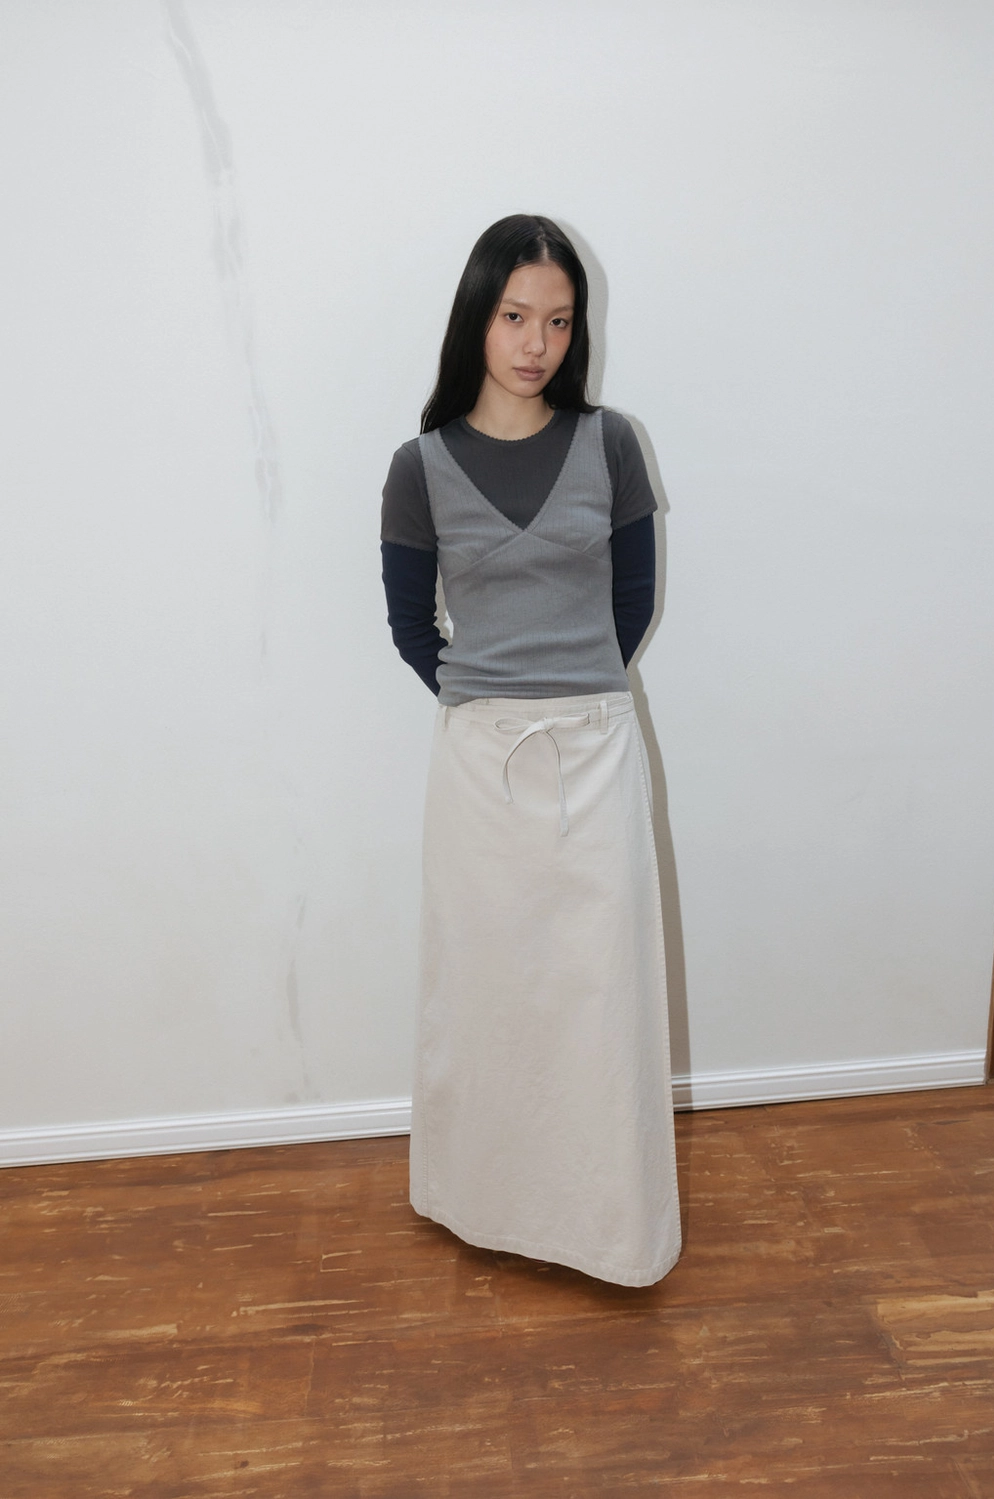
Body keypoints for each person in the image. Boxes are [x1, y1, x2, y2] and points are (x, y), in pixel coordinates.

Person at [380, 215, 681, 1286]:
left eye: (557, 321)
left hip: (596, 751)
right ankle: (481, 1200)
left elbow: (632, 601)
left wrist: (573, 692)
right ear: (478, 317)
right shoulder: (419, 467)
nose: (535, 343)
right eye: (515, 316)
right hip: (480, 766)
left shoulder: (611, 443)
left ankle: (605, 1226)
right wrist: (488, 703)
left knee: (598, 991)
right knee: (486, 988)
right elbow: (411, 626)